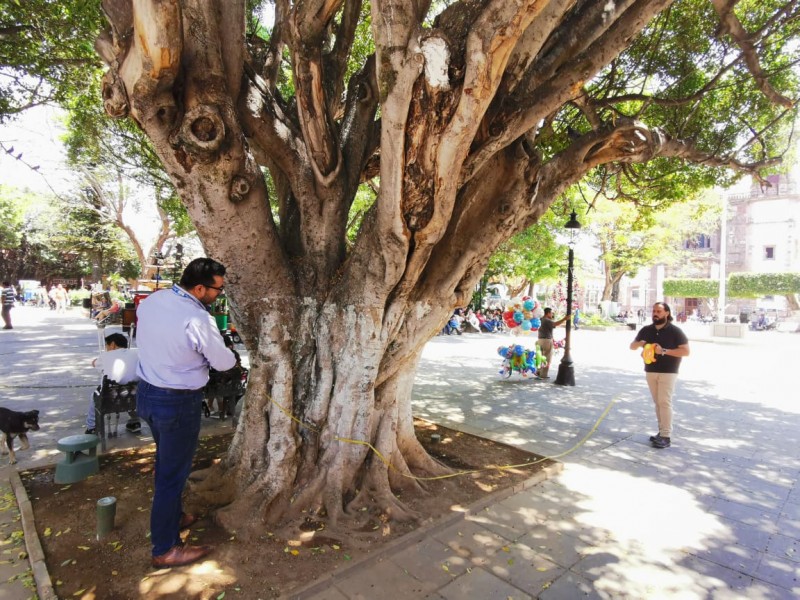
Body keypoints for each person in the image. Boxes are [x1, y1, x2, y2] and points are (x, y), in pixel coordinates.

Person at [135, 258, 237, 568]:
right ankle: (165, 548)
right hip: (177, 402)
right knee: (171, 476)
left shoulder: (154, 300)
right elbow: (222, 362)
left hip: (148, 394)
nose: (219, 295)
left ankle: (174, 518)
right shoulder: (197, 318)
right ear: (199, 288)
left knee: (166, 462)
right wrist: (231, 358)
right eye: (218, 290)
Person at [629, 302, 690, 449]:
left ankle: (666, 436)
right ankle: (661, 431)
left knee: (664, 402)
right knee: (658, 402)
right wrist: (639, 344)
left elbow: (686, 352)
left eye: (659, 311)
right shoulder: (646, 330)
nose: (655, 313)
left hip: (668, 371)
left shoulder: (675, 331)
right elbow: (632, 346)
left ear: (667, 313)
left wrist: (664, 351)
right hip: (650, 370)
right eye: (654, 311)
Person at [85, 333, 140, 435]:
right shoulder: (137, 353)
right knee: (128, 391)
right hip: (135, 394)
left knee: (94, 396)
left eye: (107, 346)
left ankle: (91, 427)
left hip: (110, 396)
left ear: (113, 344)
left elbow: (94, 363)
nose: (106, 349)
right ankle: (134, 422)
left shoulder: (106, 355)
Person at [535, 307, 569, 380]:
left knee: (539, 356)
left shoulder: (541, 319)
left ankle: (538, 371)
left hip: (540, 340)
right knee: (547, 357)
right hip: (547, 340)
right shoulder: (547, 320)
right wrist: (564, 319)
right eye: (551, 313)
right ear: (548, 313)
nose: (552, 314)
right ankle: (543, 374)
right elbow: (555, 324)